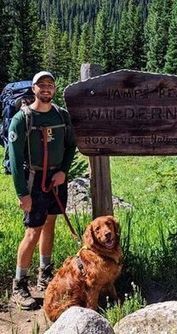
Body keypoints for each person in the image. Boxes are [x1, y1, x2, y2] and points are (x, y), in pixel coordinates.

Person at [8, 71, 76, 310]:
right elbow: (15, 160)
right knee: (32, 232)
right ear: (34, 89)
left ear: (54, 89)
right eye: (41, 85)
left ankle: (44, 274)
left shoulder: (62, 115)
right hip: (34, 181)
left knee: (49, 225)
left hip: (56, 179)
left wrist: (63, 172)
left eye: (50, 85)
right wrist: (22, 194)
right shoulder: (22, 119)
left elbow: (70, 146)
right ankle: (19, 285)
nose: (46, 89)